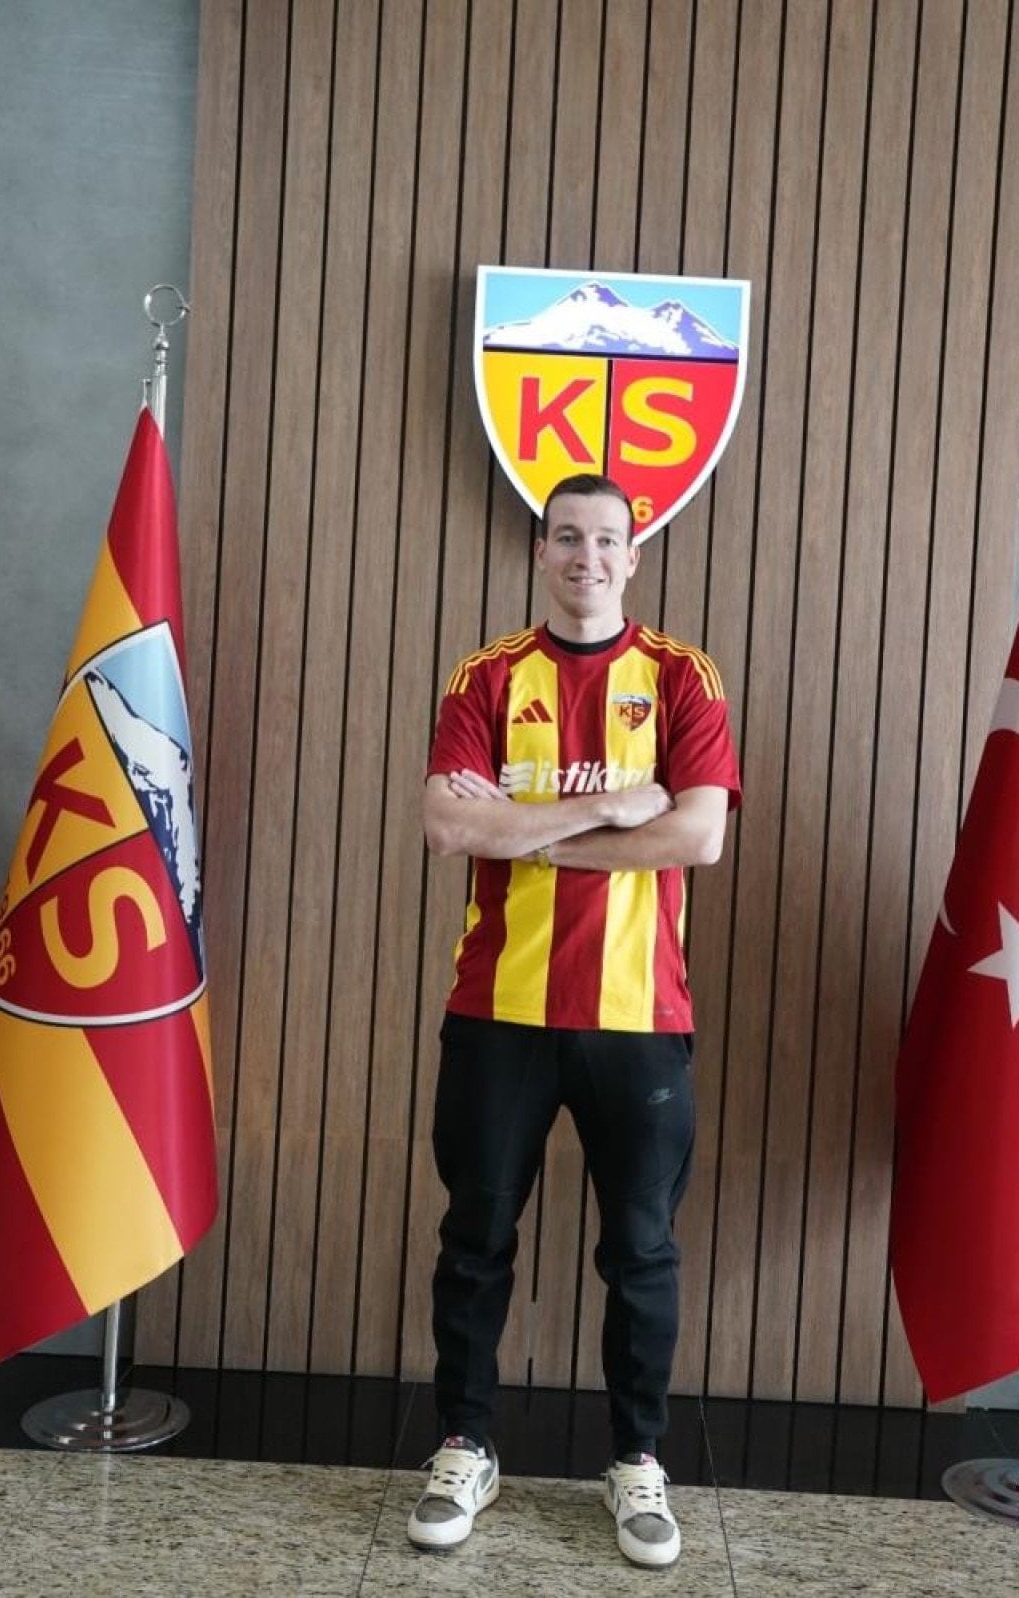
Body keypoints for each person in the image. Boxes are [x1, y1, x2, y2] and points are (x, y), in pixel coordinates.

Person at [409, 473, 741, 1568]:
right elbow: (448, 826)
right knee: (475, 1240)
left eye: (606, 539)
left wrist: (526, 827)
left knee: (641, 1250)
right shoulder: (487, 676)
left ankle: (636, 1459)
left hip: (638, 1017)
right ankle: (464, 1445)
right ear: (540, 550)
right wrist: (606, 806)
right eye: (566, 537)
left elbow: (697, 837)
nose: (585, 556)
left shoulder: (682, 677)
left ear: (632, 557)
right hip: (497, 1007)